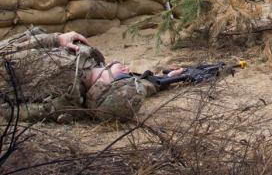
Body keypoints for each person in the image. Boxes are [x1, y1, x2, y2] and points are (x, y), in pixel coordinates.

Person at [0, 27, 183, 122]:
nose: (127, 72)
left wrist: (55, 39)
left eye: (122, 78)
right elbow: (130, 91)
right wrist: (164, 79)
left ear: (101, 88)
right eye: (129, 77)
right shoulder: (93, 72)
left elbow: (6, 54)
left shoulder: (63, 79)